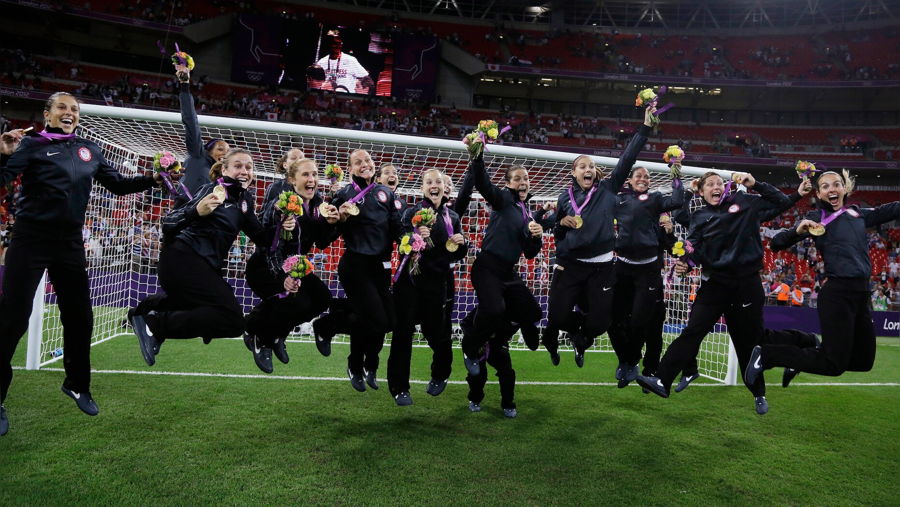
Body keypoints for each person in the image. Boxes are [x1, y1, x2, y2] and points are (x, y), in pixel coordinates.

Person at [0, 92, 166, 434]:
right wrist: (2, 155)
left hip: (70, 243)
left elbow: (118, 185)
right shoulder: (30, 145)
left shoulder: (89, 149)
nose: (69, 112)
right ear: (47, 114)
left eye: (74, 109)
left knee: (80, 318)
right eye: (62, 107)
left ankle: (77, 384)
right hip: (31, 240)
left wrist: (153, 177)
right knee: (12, 319)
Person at [637, 170, 795, 415]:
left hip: (746, 284)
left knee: (747, 342)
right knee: (692, 331)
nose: (715, 186)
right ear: (701, 192)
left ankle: (759, 393)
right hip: (715, 284)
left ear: (726, 187)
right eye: (709, 184)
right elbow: (695, 249)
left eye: (719, 183)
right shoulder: (700, 217)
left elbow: (782, 202)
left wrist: (756, 183)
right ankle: (662, 380)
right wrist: (687, 264)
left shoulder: (744, 202)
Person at [747, 170, 900, 385]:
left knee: (863, 361)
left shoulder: (858, 214)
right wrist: (798, 231)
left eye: (836, 184)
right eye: (825, 186)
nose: (832, 189)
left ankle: (803, 356)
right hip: (838, 294)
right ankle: (767, 355)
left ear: (844, 188)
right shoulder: (817, 218)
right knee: (833, 364)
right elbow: (776, 243)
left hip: (861, 296)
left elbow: (892, 209)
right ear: (818, 194)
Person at [129, 149, 270, 366]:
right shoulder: (211, 190)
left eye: (249, 167)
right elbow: (168, 224)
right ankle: (154, 325)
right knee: (231, 319)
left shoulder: (244, 200)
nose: (244, 171)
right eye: (238, 166)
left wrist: (284, 221)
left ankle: (147, 310)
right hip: (182, 258)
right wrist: (196, 211)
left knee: (225, 319)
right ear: (224, 170)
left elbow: (262, 238)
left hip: (204, 266)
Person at [545, 105, 656, 368]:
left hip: (602, 267)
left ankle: (582, 338)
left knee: (600, 323)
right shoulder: (564, 197)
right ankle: (575, 334)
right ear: (574, 172)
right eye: (582, 166)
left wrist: (645, 128)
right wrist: (559, 222)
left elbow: (627, 159)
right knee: (558, 318)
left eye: (592, 166)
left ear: (596, 172)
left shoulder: (608, 188)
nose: (588, 169)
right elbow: (556, 230)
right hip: (571, 265)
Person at [243, 158, 339, 373]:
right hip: (266, 267)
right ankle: (262, 339)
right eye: (305, 174)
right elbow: (269, 246)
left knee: (323, 299)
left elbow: (322, 242)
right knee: (297, 302)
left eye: (314, 174)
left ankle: (276, 333)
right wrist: (282, 276)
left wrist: (334, 224)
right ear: (292, 180)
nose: (311, 179)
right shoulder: (283, 204)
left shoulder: (318, 204)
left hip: (296, 266)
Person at [459, 144, 543, 383]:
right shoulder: (504, 199)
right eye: (517, 179)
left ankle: (497, 339)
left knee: (533, 312)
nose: (523, 182)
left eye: (526, 178)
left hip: (508, 272)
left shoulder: (526, 213)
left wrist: (536, 237)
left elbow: (529, 254)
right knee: (494, 310)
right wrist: (477, 156)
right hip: (487, 267)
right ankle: (471, 348)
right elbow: (484, 185)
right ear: (508, 184)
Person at [387, 169, 467, 406]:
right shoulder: (411, 212)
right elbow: (400, 244)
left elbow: (457, 253)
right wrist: (413, 237)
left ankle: (440, 374)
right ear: (422, 188)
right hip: (409, 282)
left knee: (438, 333)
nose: (434, 185)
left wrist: (463, 243)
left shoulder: (452, 217)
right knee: (403, 334)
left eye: (438, 182)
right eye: (429, 182)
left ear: (444, 187)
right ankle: (399, 388)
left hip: (436, 283)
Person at [331, 149, 403, 392]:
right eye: (358, 162)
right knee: (376, 319)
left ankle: (369, 364)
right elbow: (327, 233)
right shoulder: (343, 194)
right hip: (356, 265)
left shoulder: (386, 193)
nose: (365, 164)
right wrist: (339, 218)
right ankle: (357, 362)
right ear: (350, 168)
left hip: (381, 266)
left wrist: (410, 241)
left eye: (368, 160)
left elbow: (397, 227)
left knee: (388, 321)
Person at [608, 163, 685, 385]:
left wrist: (676, 175)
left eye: (647, 177)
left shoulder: (656, 199)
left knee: (641, 322)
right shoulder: (618, 200)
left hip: (648, 271)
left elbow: (677, 201)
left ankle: (639, 365)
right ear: (629, 180)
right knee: (613, 320)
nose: (643, 179)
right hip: (622, 267)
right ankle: (626, 360)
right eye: (638, 175)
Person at [175, 62, 229, 202]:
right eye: (220, 149)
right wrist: (185, 85)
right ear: (208, 150)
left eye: (228, 151)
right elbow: (190, 120)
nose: (225, 154)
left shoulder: (222, 175)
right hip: (182, 210)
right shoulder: (197, 154)